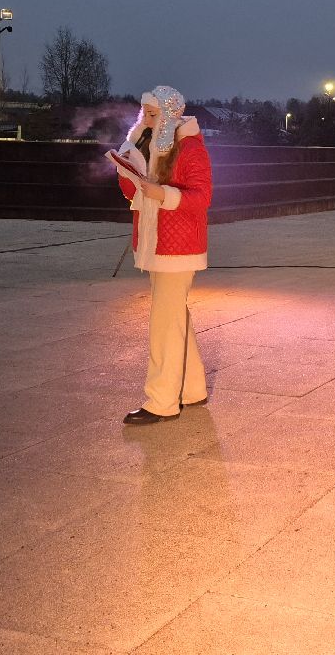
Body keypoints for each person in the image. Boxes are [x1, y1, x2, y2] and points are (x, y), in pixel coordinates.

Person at [107, 86, 213, 425]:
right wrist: (128, 171)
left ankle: (161, 402)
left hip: (178, 248)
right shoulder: (150, 144)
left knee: (164, 323)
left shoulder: (190, 148)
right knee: (174, 316)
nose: (145, 119)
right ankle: (192, 389)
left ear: (169, 115)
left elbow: (201, 198)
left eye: (152, 114)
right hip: (157, 243)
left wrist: (162, 193)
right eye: (144, 113)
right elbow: (133, 192)